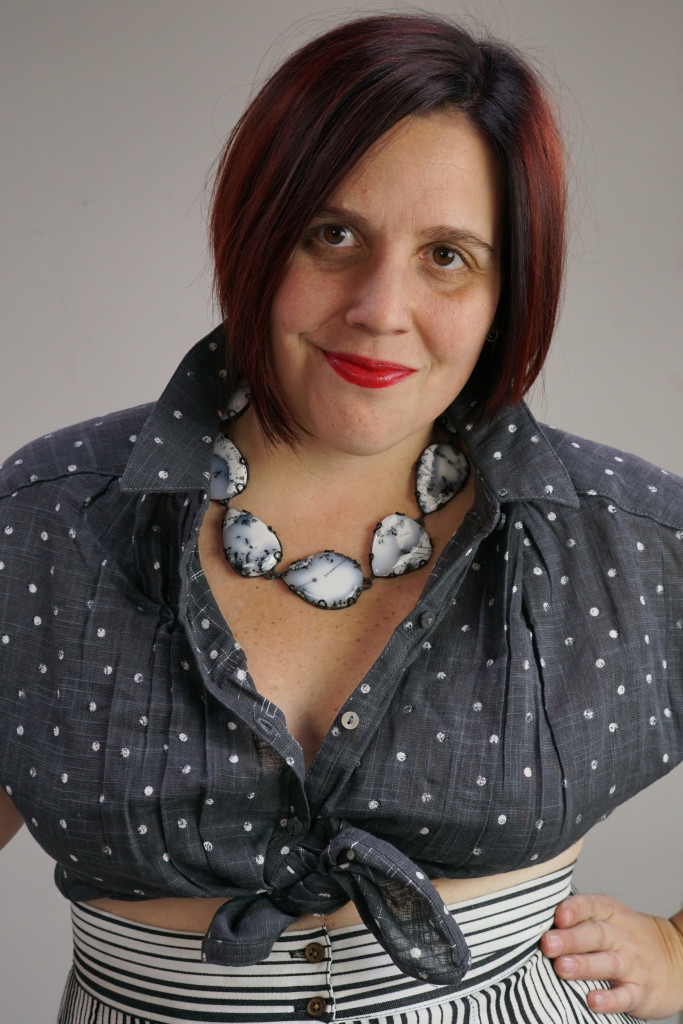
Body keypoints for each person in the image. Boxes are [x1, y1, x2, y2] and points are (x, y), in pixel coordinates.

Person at [0, 12, 681, 1024]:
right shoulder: (47, 520)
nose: (377, 305)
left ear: (509, 287)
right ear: (257, 231)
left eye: (446, 255)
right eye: (333, 234)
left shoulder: (622, 536)